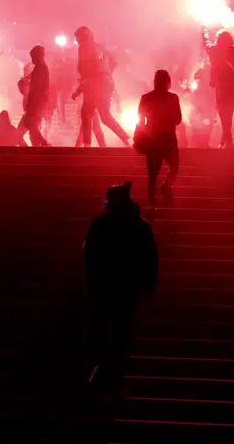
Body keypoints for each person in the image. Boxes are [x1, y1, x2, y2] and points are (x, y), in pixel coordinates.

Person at [84, 182, 157, 386]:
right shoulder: (140, 226)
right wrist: (148, 282)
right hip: (128, 284)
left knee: (101, 323)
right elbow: (150, 256)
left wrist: (93, 275)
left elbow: (89, 251)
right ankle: (116, 365)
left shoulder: (102, 224)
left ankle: (102, 364)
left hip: (106, 283)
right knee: (122, 326)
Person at [73, 27, 130, 147]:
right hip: (105, 82)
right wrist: (106, 74)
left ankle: (87, 146)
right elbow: (114, 62)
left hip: (95, 83)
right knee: (104, 116)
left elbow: (89, 69)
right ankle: (127, 140)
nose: (77, 41)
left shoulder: (84, 47)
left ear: (83, 37)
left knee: (87, 114)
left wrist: (85, 84)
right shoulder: (101, 49)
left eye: (78, 38)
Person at [136, 70, 184, 206]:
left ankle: (151, 206)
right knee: (174, 168)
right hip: (168, 139)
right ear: (168, 82)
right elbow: (178, 119)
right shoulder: (173, 98)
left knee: (152, 176)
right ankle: (166, 187)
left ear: (155, 81)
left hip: (152, 140)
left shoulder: (146, 98)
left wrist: (140, 136)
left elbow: (140, 120)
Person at [204, 31, 234, 148]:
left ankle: (228, 140)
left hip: (221, 87)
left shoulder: (213, 50)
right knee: (227, 113)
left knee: (223, 113)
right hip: (232, 87)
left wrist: (204, 31)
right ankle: (226, 140)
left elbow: (206, 42)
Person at [19, 45, 52, 146]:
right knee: (32, 128)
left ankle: (44, 143)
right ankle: (38, 148)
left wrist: (32, 105)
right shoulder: (39, 68)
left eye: (33, 57)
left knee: (30, 124)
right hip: (37, 103)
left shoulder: (41, 69)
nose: (32, 59)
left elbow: (38, 90)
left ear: (39, 56)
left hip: (37, 103)